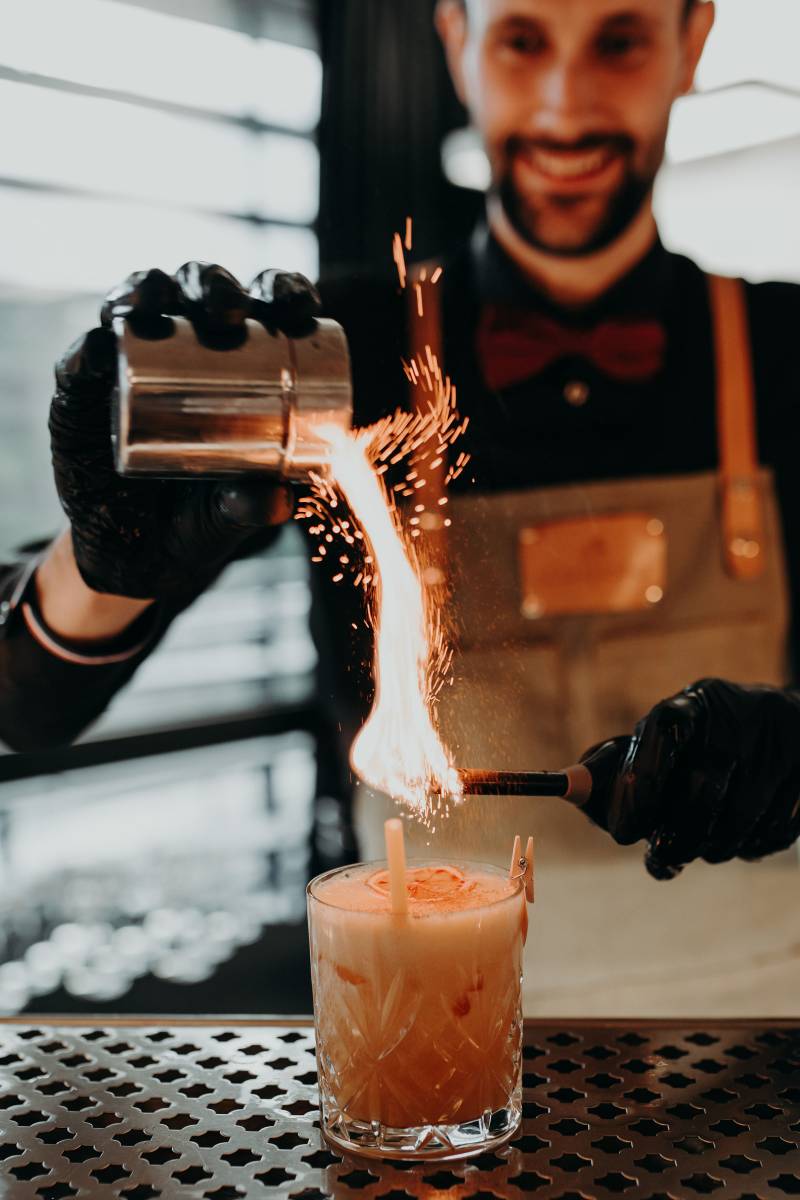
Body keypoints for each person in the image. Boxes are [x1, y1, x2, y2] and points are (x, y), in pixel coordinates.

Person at [1, 0, 799, 906]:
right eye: (522, 40)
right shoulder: (333, 355)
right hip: (415, 1003)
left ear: (693, 43)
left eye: (618, 43)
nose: (564, 102)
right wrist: (105, 565)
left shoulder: (787, 348)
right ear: (457, 42)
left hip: (755, 1013)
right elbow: (24, 709)